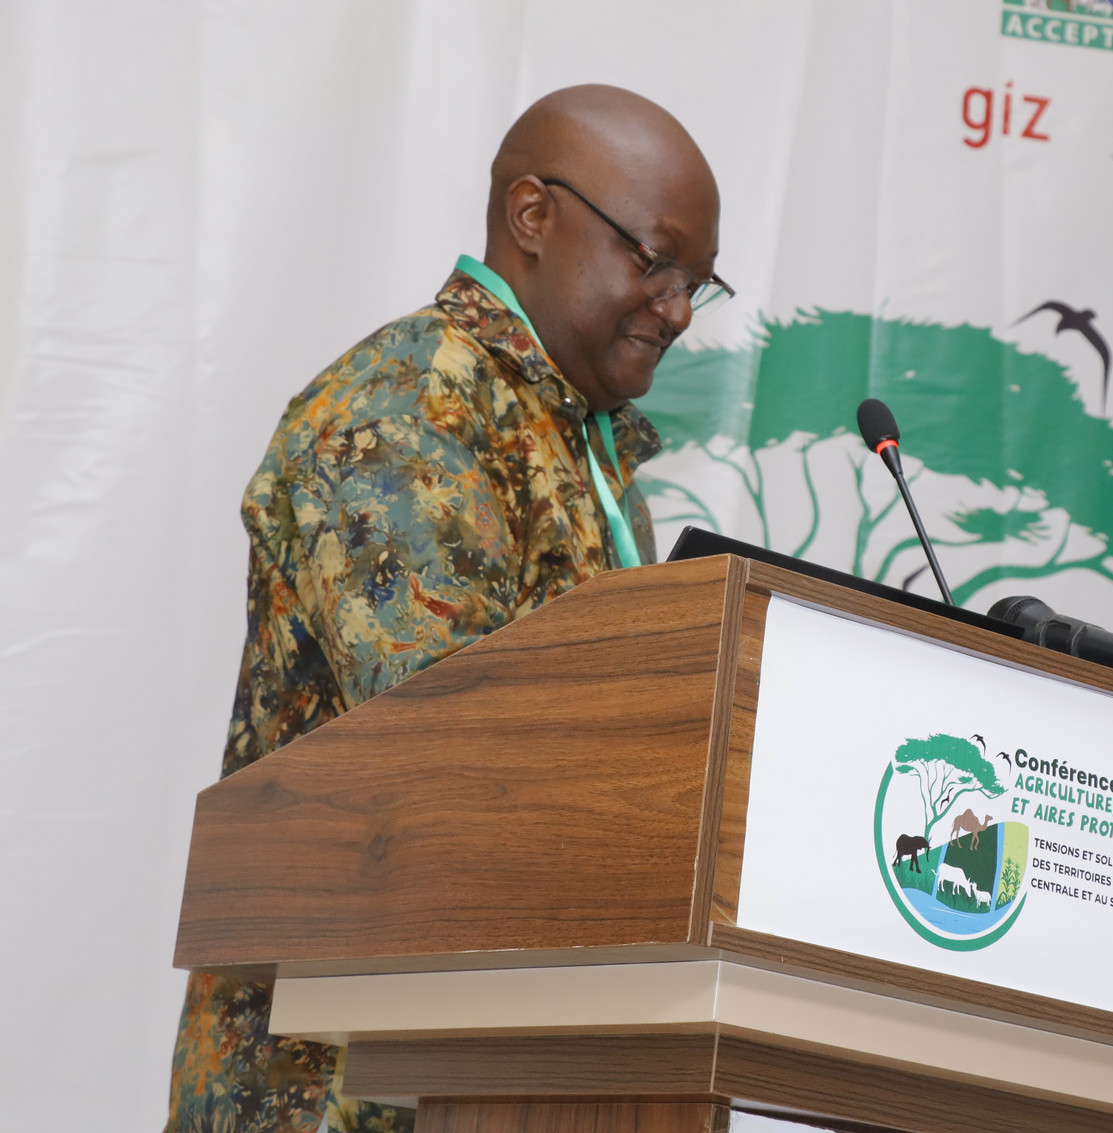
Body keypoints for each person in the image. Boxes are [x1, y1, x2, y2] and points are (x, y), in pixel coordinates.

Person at [164, 84, 728, 1133]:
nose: (678, 309)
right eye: (654, 262)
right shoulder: (406, 407)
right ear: (532, 214)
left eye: (696, 282)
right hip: (333, 1078)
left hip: (510, 1057)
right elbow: (447, 753)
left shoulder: (577, 442)